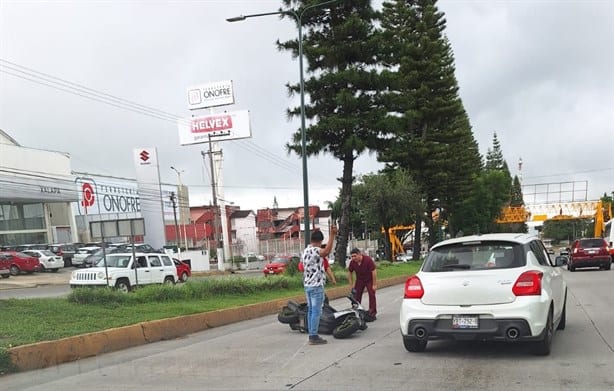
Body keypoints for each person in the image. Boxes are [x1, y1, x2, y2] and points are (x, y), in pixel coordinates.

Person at [302, 225, 337, 345]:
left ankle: (312, 333)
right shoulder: (316, 250)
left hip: (307, 285)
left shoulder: (306, 250)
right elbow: (326, 251)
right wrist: (332, 235)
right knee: (316, 311)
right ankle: (313, 336)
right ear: (320, 241)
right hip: (316, 285)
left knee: (311, 311)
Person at [347, 247, 377, 320]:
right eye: (352, 256)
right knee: (356, 295)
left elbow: (374, 271)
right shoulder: (352, 262)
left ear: (360, 254)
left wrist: (374, 284)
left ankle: (372, 312)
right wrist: (351, 285)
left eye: (355, 256)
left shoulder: (368, 260)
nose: (353, 258)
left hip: (369, 279)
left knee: (371, 294)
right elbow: (350, 272)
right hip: (360, 280)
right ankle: (356, 310)